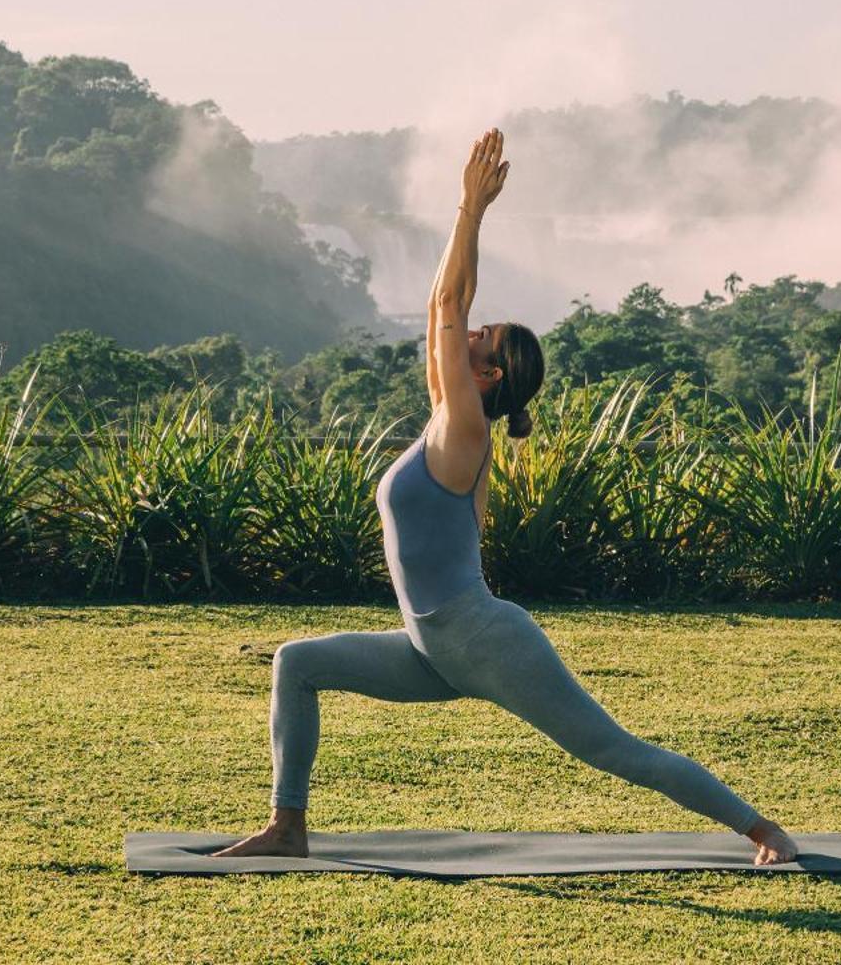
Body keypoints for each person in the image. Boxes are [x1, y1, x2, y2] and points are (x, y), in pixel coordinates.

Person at [214, 128, 799, 866]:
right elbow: (441, 309)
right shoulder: (444, 418)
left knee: (614, 751)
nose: (463, 332)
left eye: (480, 337)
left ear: (488, 376)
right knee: (296, 663)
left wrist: (470, 209)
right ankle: (287, 827)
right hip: (434, 648)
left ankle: (763, 830)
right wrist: (465, 226)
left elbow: (450, 302)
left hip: (485, 641)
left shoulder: (464, 434)